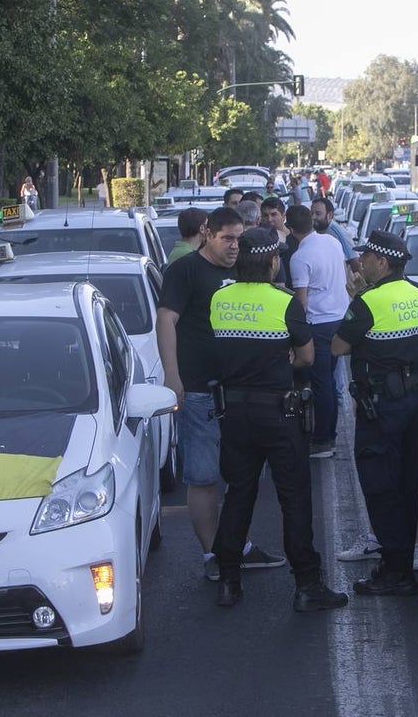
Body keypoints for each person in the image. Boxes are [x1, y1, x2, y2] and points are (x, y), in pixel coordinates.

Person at [208, 227, 349, 612]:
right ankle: (307, 585)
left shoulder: (219, 299)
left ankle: (228, 581)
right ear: (272, 262)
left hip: (234, 413)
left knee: (239, 494)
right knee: (294, 499)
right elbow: (306, 357)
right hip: (279, 412)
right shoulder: (284, 303)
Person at [158, 207, 284, 580]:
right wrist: (172, 375)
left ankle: (237, 546)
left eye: (239, 239)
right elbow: (166, 319)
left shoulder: (243, 270)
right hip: (199, 390)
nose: (234, 246)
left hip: (243, 390)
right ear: (206, 234)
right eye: (226, 238)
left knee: (242, 474)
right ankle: (213, 554)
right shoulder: (185, 271)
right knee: (202, 475)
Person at [332, 231, 418, 596]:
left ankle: (395, 570)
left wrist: (357, 296)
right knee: (409, 482)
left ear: (382, 262)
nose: (360, 261)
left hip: (380, 408)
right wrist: (416, 382)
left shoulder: (367, 302)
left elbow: (338, 346)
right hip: (414, 403)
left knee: (380, 485)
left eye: (366, 256)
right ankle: (403, 563)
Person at [286, 206, 351, 460]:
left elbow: (301, 302)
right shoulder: (332, 242)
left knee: (322, 383)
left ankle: (324, 440)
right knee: (329, 382)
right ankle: (327, 435)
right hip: (339, 319)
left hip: (319, 324)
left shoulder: (299, 259)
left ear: (290, 230)